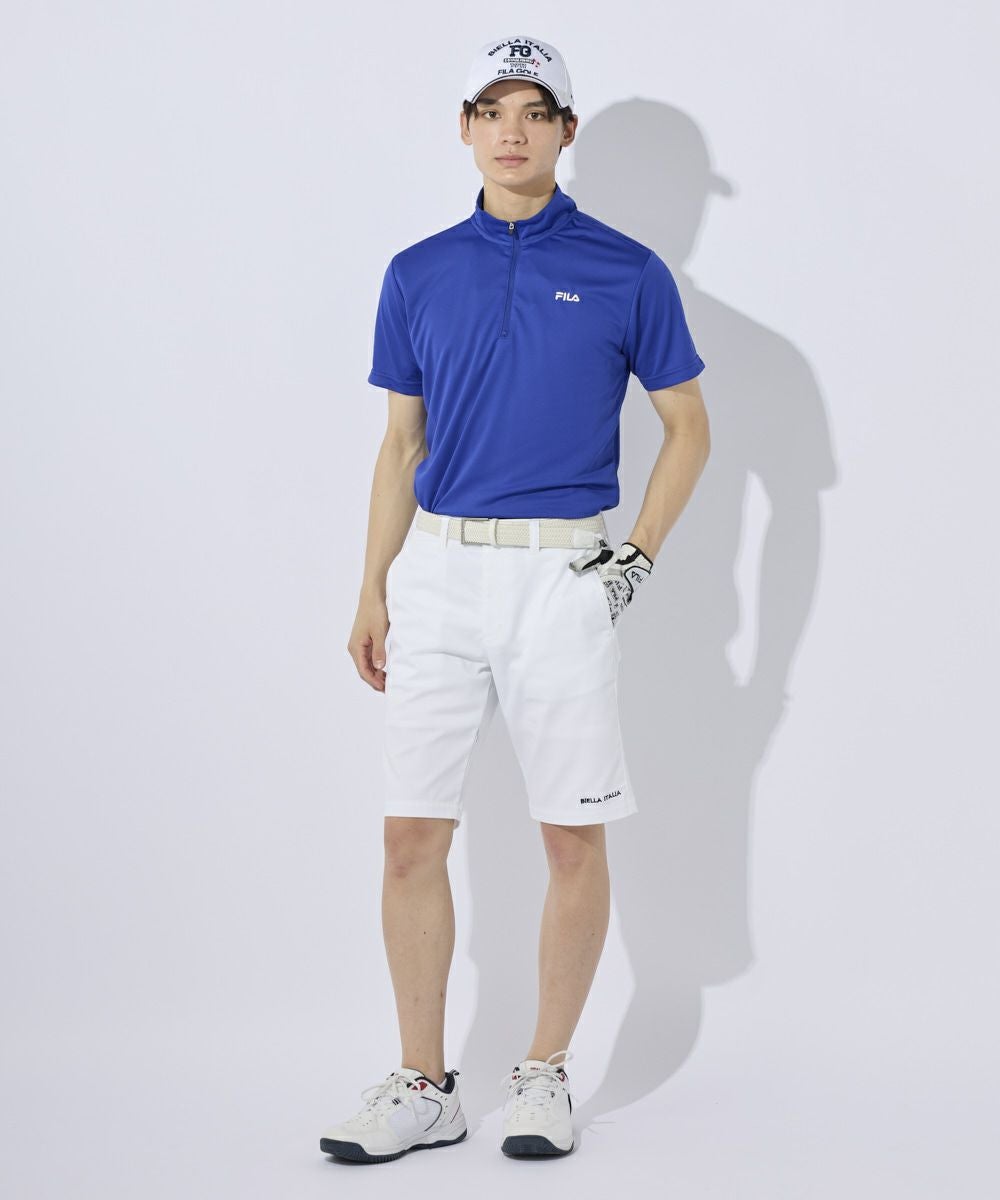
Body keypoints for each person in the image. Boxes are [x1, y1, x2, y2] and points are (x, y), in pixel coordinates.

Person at [322, 33, 710, 1164]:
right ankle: (424, 1085)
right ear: (464, 128)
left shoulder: (628, 270)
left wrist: (636, 556)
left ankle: (544, 1073)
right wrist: (371, 587)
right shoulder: (417, 272)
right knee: (409, 836)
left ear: (564, 131)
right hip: (438, 572)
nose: (512, 131)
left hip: (561, 574)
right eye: (492, 110)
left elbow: (688, 426)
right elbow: (401, 446)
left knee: (571, 837)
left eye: (534, 112)